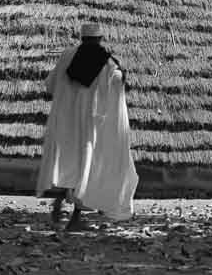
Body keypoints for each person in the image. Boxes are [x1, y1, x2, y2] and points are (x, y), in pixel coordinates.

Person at [35, 22, 138, 231]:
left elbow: (51, 85)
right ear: (100, 39)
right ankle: (75, 218)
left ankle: (59, 205)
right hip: (88, 125)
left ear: (82, 39)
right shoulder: (107, 64)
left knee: (65, 163)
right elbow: (117, 87)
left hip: (64, 122)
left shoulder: (67, 56)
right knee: (85, 165)